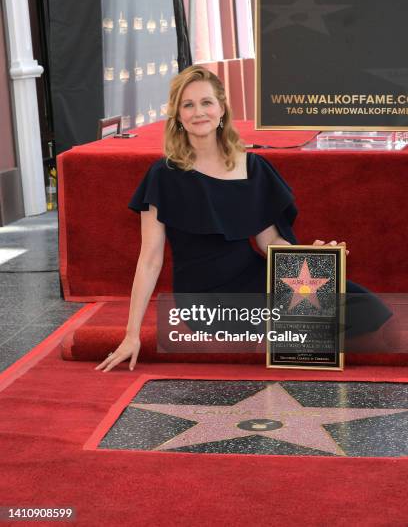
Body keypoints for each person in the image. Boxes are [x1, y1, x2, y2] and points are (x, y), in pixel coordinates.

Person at [95, 65, 391, 373]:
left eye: (206, 102)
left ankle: (288, 337)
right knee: (310, 320)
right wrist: (131, 335)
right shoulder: (163, 175)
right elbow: (150, 259)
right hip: (203, 299)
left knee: (366, 306)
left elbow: (270, 243)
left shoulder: (253, 167)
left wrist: (314, 257)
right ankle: (285, 337)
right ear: (178, 115)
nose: (199, 112)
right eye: (188, 104)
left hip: (253, 278)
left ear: (221, 109)